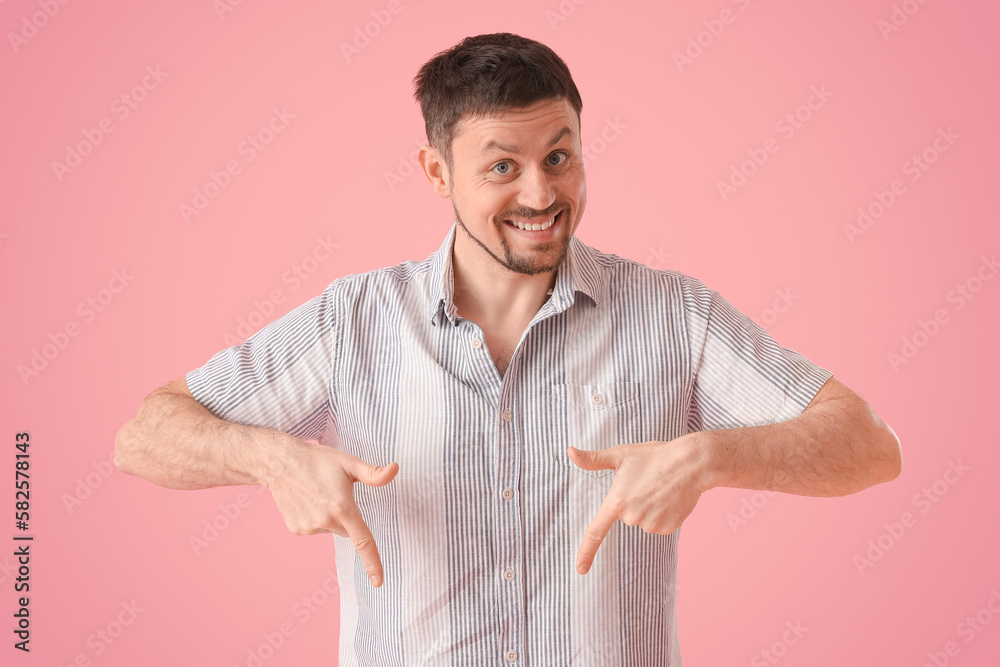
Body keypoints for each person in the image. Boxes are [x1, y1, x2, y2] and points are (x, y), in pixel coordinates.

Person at [115, 32, 901, 666]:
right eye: (502, 166)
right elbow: (144, 434)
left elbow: (868, 443)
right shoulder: (350, 321)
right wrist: (271, 458)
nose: (540, 194)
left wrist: (711, 457)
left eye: (559, 156)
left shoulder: (673, 314)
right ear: (436, 172)